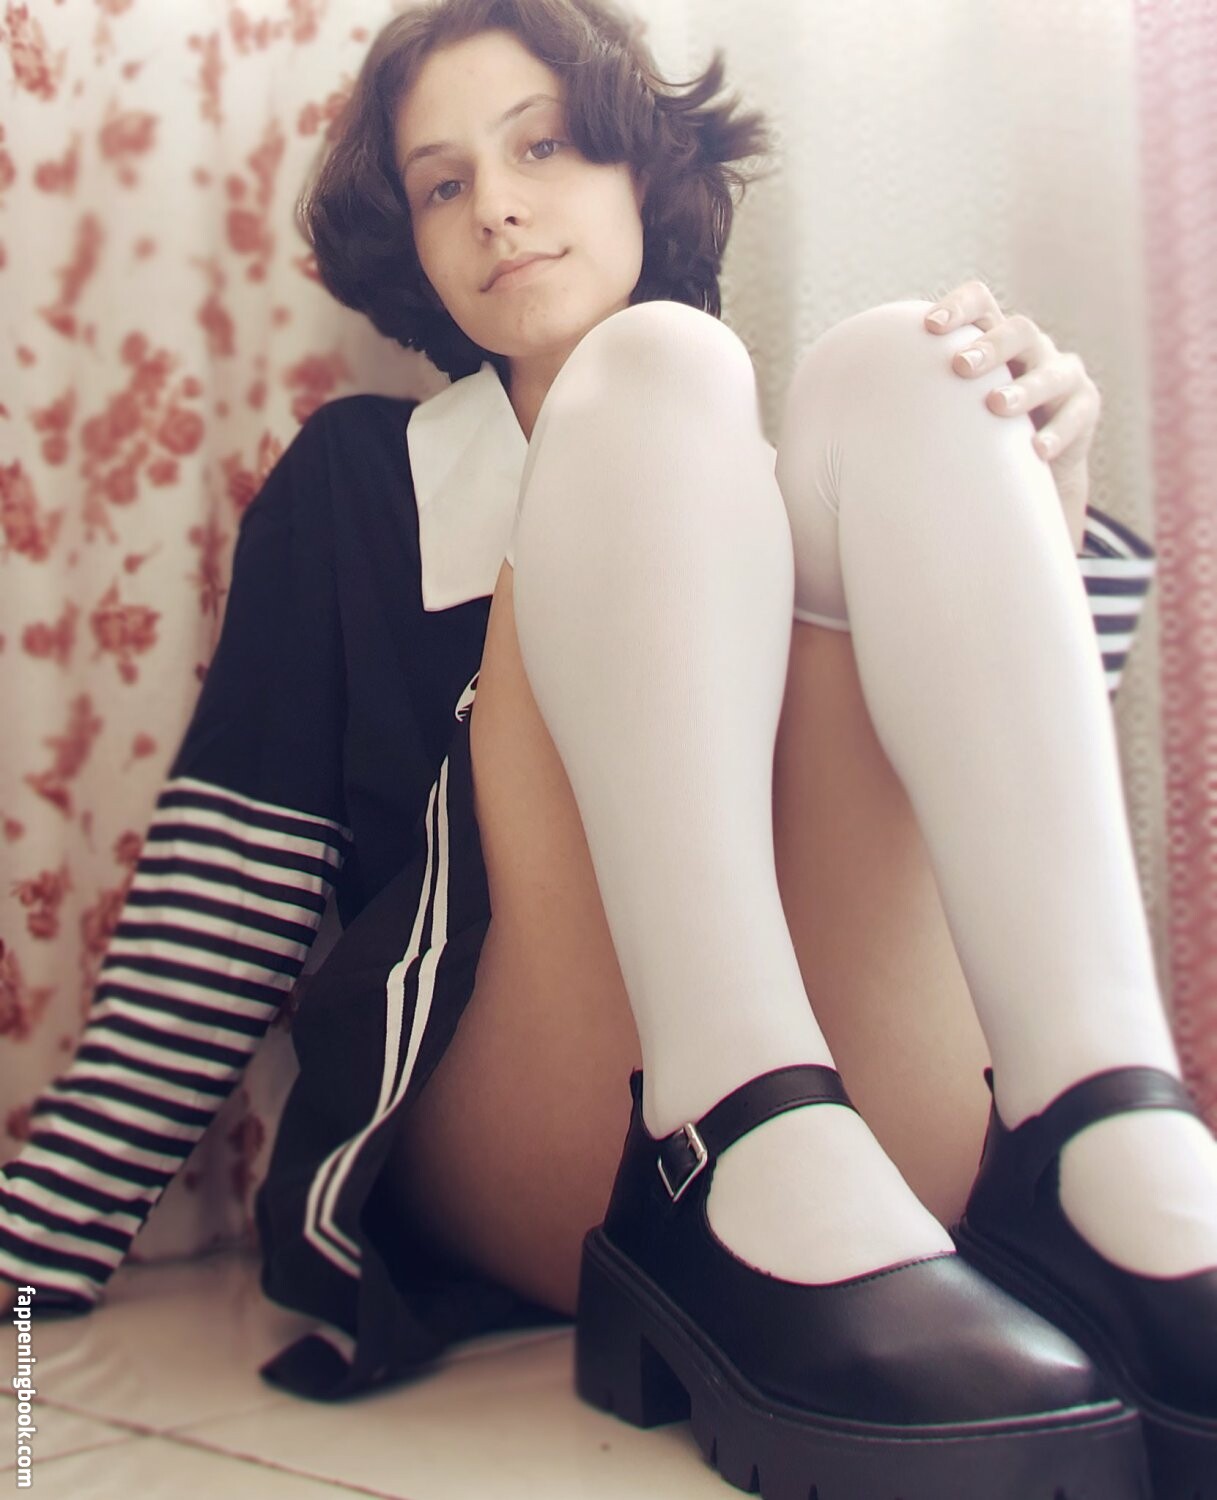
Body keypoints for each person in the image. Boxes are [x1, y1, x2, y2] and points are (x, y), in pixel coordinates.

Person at [1, 0, 1213, 1495]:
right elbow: (231, 892)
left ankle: (1106, 1152)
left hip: (901, 1122)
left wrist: (1035, 492)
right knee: (660, 369)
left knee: (912, 364)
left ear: (644, 170)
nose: (497, 206)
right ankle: (731, 1150)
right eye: (443, 184)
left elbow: (979, 840)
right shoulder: (360, 486)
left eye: (547, 147)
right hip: (557, 1141)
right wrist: (37, 1244)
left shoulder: (817, 477)